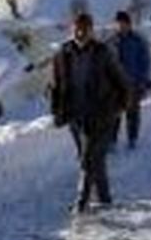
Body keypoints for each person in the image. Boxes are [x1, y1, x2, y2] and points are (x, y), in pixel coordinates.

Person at [50, 13, 130, 212]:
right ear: (72, 29)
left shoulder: (103, 52)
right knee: (94, 158)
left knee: (88, 158)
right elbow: (55, 84)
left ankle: (81, 202)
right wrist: (56, 110)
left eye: (84, 29)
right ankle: (104, 198)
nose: (80, 33)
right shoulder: (63, 53)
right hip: (75, 115)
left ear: (91, 30)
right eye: (77, 28)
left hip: (100, 114)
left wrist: (119, 108)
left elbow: (121, 81)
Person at [109, 10, 151, 150]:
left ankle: (132, 139)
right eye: (118, 24)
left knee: (132, 113)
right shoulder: (112, 41)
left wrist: (143, 80)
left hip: (133, 83)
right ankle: (112, 141)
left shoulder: (137, 41)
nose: (121, 26)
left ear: (129, 24)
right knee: (114, 115)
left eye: (123, 24)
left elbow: (145, 62)